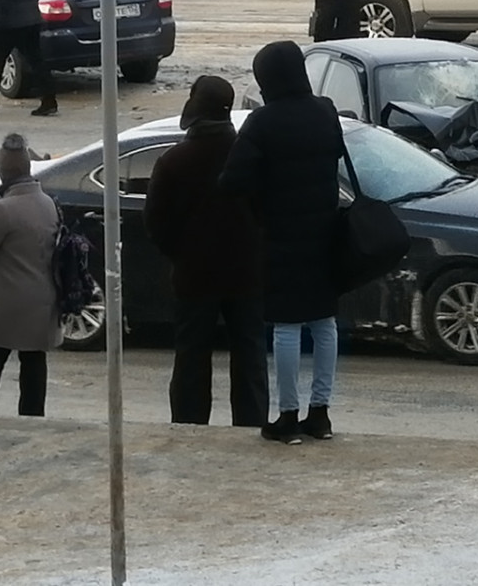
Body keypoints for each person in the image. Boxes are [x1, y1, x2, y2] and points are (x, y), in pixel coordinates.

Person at [220, 40, 346, 445]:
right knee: (324, 323)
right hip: (326, 233)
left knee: (287, 327)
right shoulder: (325, 111)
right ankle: (321, 414)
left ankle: (288, 416)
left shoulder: (264, 122)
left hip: (280, 235)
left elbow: (232, 182)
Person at [143, 75, 268, 427]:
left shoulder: (174, 161)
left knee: (191, 357)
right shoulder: (250, 157)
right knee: (250, 354)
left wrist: (180, 253)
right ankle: (252, 422)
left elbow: (156, 223)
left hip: (194, 275)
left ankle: (189, 424)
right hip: (245, 274)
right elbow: (266, 213)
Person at [0, 133, 61, 416]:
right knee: (34, 366)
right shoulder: (48, 203)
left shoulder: (3, 210)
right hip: (43, 302)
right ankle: (34, 419)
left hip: (6, 307)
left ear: (3, 173)